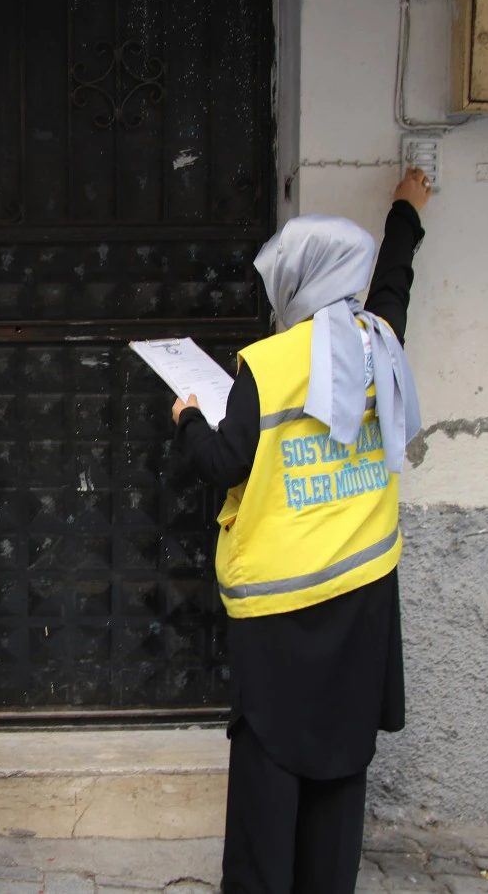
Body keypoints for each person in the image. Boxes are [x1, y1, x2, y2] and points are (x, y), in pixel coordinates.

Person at [171, 169, 432, 894]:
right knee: (343, 764)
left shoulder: (273, 362)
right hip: (363, 595)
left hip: (282, 608)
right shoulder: (381, 342)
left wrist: (188, 417)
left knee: (270, 765)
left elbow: (224, 462)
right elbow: (394, 288)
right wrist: (406, 212)